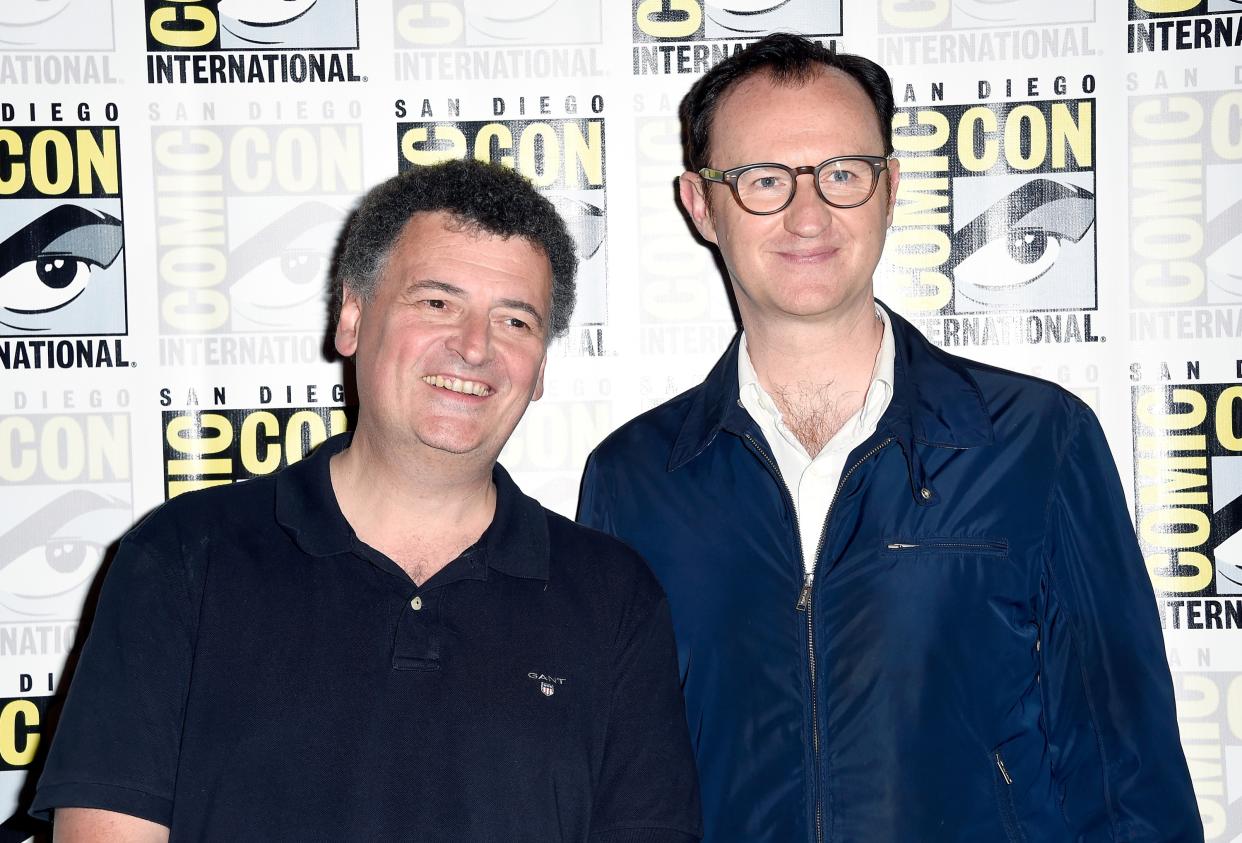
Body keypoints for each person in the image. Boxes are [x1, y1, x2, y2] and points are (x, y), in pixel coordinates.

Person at [577, 33, 1201, 843]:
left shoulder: (1038, 443)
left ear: (891, 188)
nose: (809, 213)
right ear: (701, 204)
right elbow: (608, 778)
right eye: (764, 179)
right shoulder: (633, 478)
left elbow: (1127, 775)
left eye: (843, 173)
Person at [33, 159, 702, 842]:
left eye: (514, 321)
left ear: (539, 370)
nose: (474, 347)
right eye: (437, 302)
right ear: (351, 316)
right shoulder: (182, 559)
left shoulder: (614, 597)